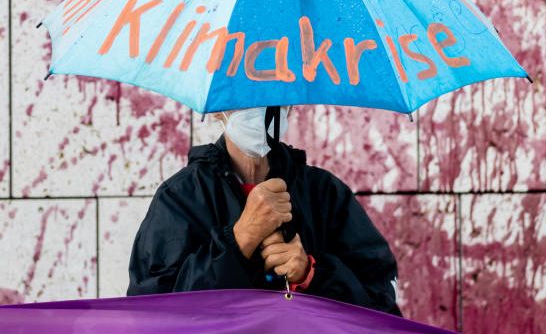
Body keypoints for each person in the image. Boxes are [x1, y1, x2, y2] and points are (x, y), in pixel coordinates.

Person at [127, 106, 402, 316]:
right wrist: (239, 240)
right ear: (216, 110)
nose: (259, 107)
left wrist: (310, 274)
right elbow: (153, 313)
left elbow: (380, 303)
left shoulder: (324, 193)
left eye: (273, 93)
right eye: (242, 97)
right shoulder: (181, 198)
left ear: (290, 106)